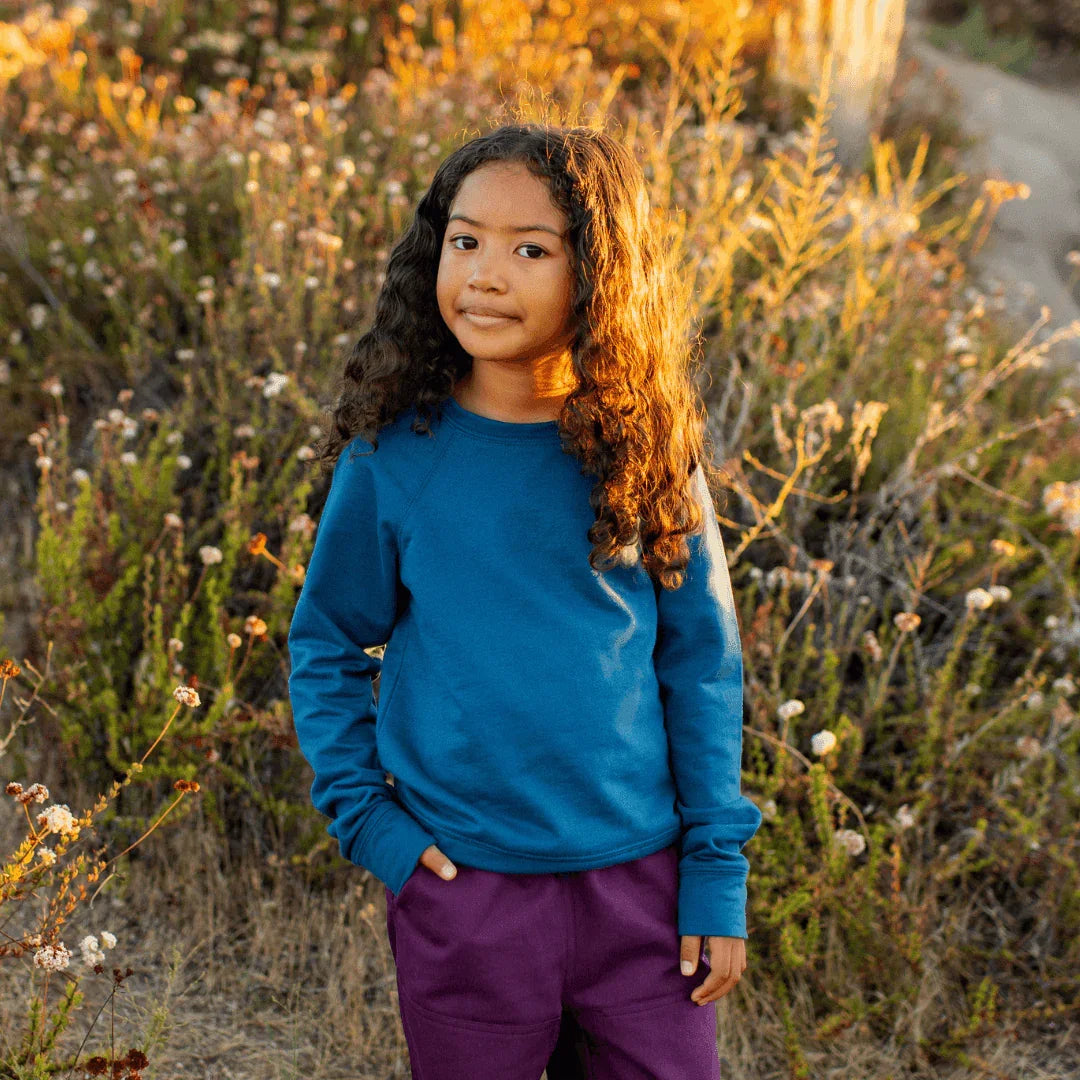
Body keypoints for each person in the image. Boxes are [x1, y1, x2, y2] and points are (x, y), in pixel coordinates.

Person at [287, 121, 763, 1080]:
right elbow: (328, 645)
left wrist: (714, 873)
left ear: (600, 274)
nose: (485, 275)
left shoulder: (648, 458)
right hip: (467, 893)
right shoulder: (394, 460)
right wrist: (371, 823)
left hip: (642, 890)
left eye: (530, 249)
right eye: (465, 241)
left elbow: (701, 667)